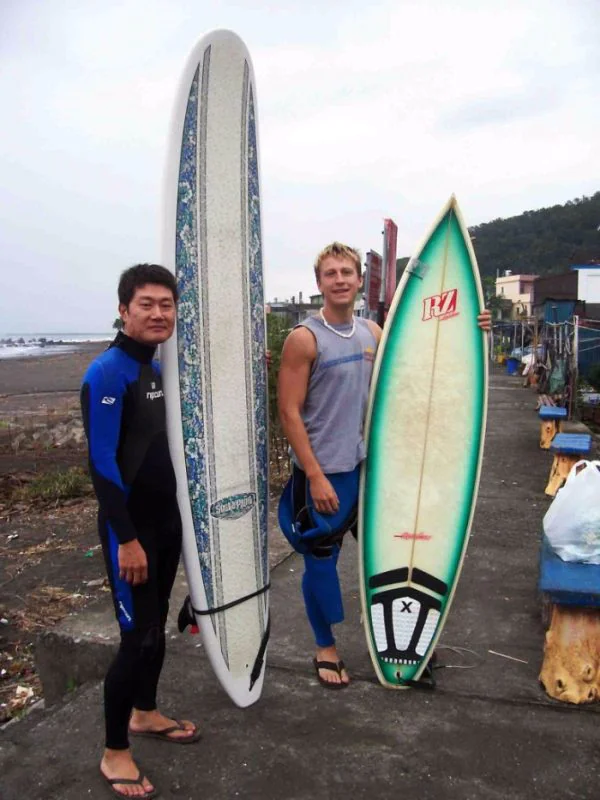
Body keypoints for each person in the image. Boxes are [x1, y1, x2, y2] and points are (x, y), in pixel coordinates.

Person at [277, 242, 491, 690]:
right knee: (321, 559)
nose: (339, 279)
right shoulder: (305, 338)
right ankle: (325, 646)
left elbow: (424, 358)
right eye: (330, 273)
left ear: (359, 280)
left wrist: (474, 330)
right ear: (319, 284)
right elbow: (289, 412)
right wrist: (314, 475)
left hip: (368, 471)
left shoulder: (373, 332)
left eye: (346, 272)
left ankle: (405, 645)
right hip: (325, 473)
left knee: (395, 557)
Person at [81, 264, 200, 800]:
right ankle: (114, 752)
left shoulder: (161, 368)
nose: (157, 313)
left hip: (167, 523)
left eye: (166, 305)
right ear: (124, 309)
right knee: (137, 639)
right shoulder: (107, 374)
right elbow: (102, 465)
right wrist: (126, 537)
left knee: (154, 635)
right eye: (146, 304)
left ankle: (145, 714)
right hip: (129, 531)